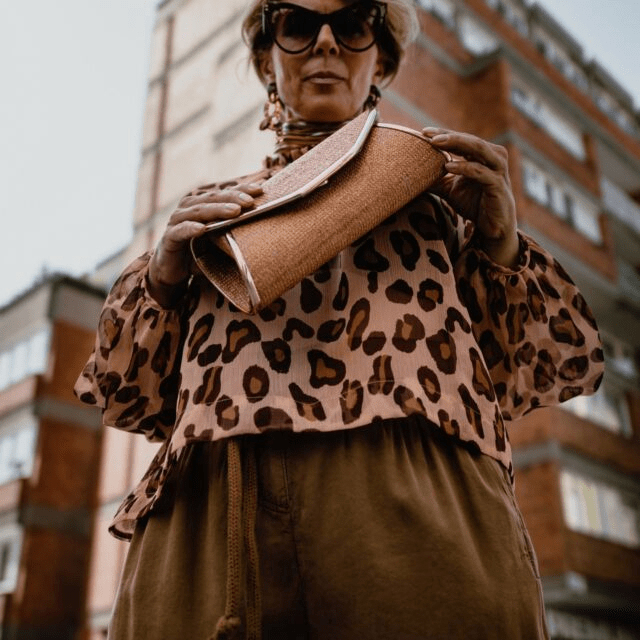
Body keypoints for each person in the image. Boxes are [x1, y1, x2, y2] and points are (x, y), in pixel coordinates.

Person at [75, 1, 604, 638]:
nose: (324, 41)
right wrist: (163, 277)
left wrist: (501, 244)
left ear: (380, 56)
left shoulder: (445, 211)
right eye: (296, 24)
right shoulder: (211, 224)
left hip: (415, 517)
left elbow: (549, 368)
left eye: (352, 22)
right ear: (266, 57)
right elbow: (126, 399)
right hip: (212, 523)